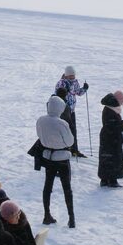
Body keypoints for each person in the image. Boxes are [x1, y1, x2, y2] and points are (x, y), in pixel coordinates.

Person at [36, 95, 76, 226]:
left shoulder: (41, 120)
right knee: (67, 188)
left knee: (47, 187)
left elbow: (40, 136)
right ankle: (71, 218)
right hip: (62, 158)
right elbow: (70, 141)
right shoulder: (62, 123)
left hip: (48, 157)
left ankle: (46, 214)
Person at [97, 91, 123, 186]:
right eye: (122, 102)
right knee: (113, 158)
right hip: (111, 138)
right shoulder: (111, 110)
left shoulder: (110, 108)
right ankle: (112, 180)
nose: (122, 104)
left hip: (107, 137)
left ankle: (104, 179)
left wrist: (122, 122)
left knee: (106, 157)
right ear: (117, 100)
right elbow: (112, 127)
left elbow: (112, 124)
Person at [56, 66, 89, 145]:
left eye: (73, 75)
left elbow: (78, 93)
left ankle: (74, 149)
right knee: (65, 130)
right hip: (63, 111)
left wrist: (84, 89)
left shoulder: (75, 82)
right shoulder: (61, 83)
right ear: (66, 75)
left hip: (72, 110)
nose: (72, 77)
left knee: (73, 130)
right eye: (70, 75)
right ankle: (65, 147)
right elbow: (58, 94)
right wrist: (66, 90)